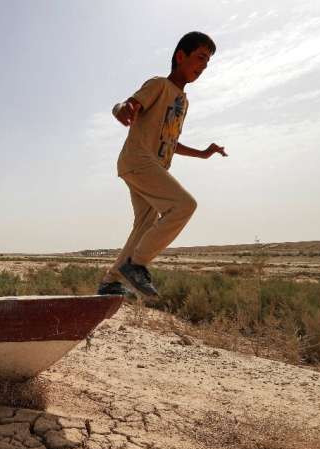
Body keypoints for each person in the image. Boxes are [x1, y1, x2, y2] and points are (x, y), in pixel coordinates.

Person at [97, 32, 228, 297]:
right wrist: (121, 108)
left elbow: (171, 141)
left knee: (145, 224)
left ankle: (111, 281)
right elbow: (128, 104)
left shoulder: (183, 101)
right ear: (181, 56)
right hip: (139, 160)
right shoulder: (159, 85)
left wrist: (203, 153)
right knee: (184, 205)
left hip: (151, 167)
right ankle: (137, 264)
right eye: (200, 57)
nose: (203, 66)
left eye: (208, 62)